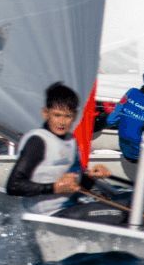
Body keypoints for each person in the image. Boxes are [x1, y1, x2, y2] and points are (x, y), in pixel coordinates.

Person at [6, 82, 111, 215]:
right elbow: (13, 186)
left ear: (75, 116)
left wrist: (91, 176)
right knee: (124, 213)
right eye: (57, 115)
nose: (62, 122)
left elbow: (79, 187)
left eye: (67, 116)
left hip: (70, 209)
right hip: (47, 215)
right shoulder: (38, 141)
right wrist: (54, 187)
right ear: (45, 113)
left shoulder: (70, 141)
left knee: (127, 203)